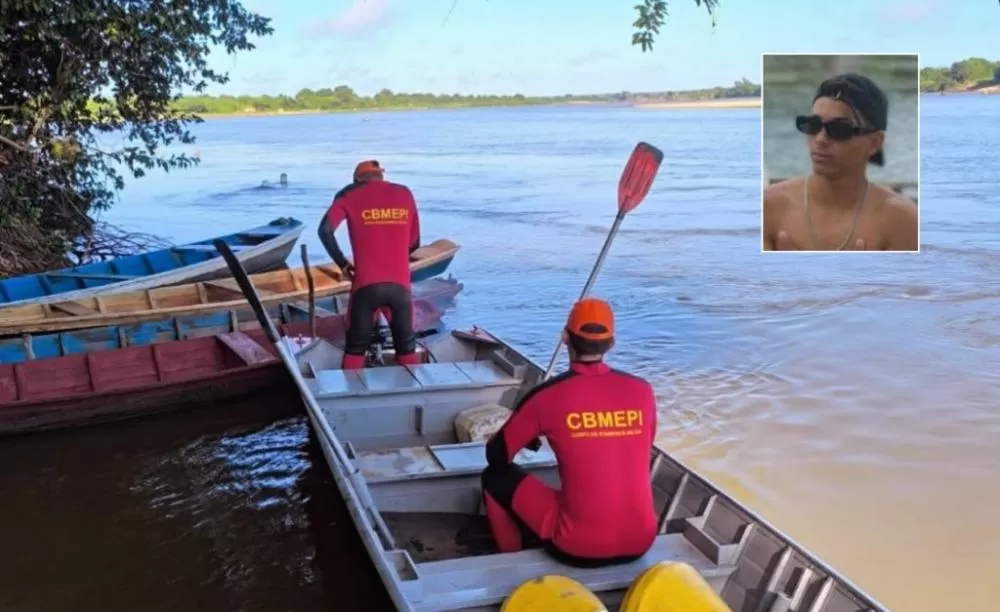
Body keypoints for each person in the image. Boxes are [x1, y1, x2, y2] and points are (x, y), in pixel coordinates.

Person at [480, 297, 658, 567]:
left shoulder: (547, 396)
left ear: (565, 337)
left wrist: (524, 434)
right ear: (612, 343)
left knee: (494, 477)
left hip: (578, 546)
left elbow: (496, 457)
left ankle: (510, 564)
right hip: (642, 541)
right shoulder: (643, 391)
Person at [763, 72, 918, 251]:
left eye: (839, 129)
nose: (820, 139)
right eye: (813, 125)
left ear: (874, 142)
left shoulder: (899, 218)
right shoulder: (770, 207)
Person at [317, 160, 422, 369]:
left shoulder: (349, 194)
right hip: (399, 287)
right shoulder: (405, 193)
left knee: (356, 347)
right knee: (406, 346)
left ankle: (348, 396)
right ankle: (414, 392)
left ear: (357, 179)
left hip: (365, 285)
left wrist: (343, 264)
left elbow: (325, 231)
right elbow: (414, 243)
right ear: (381, 176)